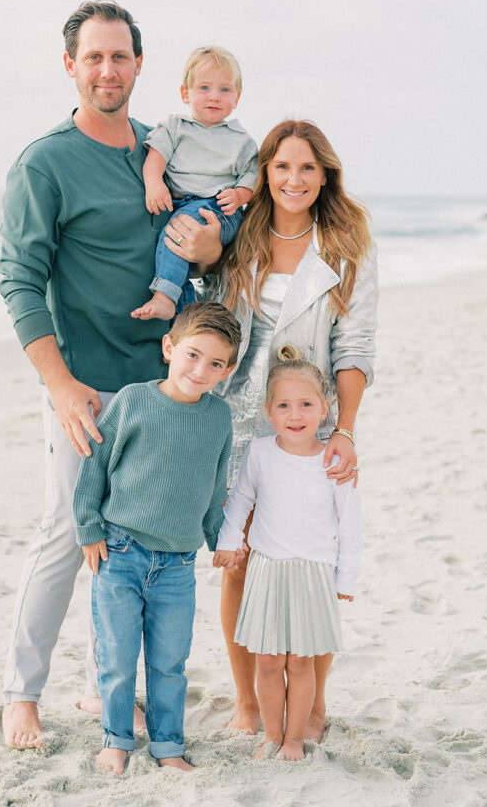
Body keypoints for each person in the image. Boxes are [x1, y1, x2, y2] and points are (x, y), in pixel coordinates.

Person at [0, 0, 223, 749]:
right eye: (92, 57)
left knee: (129, 547)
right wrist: (59, 385)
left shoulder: (163, 152)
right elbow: (20, 281)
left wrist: (209, 251)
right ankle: (20, 696)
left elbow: (201, 248)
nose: (107, 69)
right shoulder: (46, 162)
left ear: (137, 63)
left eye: (119, 56)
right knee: (70, 533)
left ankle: (106, 693)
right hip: (86, 389)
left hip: (162, 388)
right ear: (71, 66)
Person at [194, 118, 377, 738]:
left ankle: (315, 699)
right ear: (264, 172)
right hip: (234, 416)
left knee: (310, 561)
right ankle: (247, 699)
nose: (293, 179)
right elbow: (207, 313)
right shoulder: (240, 235)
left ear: (324, 174)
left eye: (306, 168)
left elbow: (354, 346)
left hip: (306, 420)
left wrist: (344, 430)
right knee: (240, 561)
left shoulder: (347, 244)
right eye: (281, 167)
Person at [73, 302, 240, 774]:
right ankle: (116, 740)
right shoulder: (133, 400)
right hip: (120, 552)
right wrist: (88, 527)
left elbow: (214, 487)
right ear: (169, 347)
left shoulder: (217, 417)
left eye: (215, 363)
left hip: (177, 565)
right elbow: (94, 467)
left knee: (170, 664)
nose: (200, 370)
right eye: (192, 355)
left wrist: (218, 538)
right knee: (118, 658)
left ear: (227, 370)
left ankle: (168, 747)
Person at [213, 357, 362, 761]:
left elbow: (350, 523)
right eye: (283, 406)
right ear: (267, 412)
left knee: (300, 663)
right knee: (267, 661)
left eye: (306, 405)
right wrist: (228, 542)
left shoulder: (333, 461)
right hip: (266, 571)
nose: (294, 415)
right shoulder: (260, 453)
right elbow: (241, 499)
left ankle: (294, 740)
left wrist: (345, 579)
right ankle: (271, 736)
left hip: (312, 575)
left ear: (325, 407)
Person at [131, 46, 258, 321]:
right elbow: (155, 157)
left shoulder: (240, 140)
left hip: (218, 208)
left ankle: (164, 296)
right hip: (180, 203)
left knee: (177, 232)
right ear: (185, 93)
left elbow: (253, 176)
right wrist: (153, 183)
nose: (214, 96)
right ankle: (185, 318)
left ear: (236, 98)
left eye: (225, 90)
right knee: (181, 259)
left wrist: (239, 195)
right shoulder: (175, 127)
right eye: (204, 87)